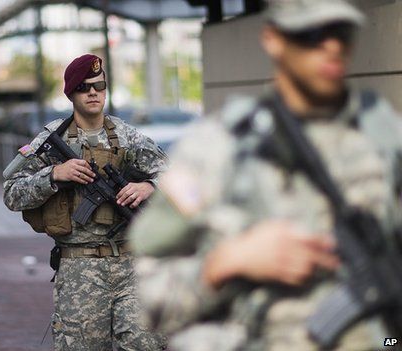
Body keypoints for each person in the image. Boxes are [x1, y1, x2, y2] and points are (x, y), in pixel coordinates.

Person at [129, 1, 402, 350]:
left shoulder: (386, 138)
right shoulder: (217, 148)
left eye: (342, 34)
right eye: (313, 35)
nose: (332, 47)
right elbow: (151, 303)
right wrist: (227, 262)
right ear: (273, 39)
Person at [3, 54, 168, 350]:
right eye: (83, 87)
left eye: (99, 85)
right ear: (71, 93)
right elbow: (11, 192)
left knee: (149, 343)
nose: (93, 92)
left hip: (133, 264)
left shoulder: (126, 136)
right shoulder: (50, 139)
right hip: (80, 269)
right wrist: (54, 175)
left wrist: (149, 186)